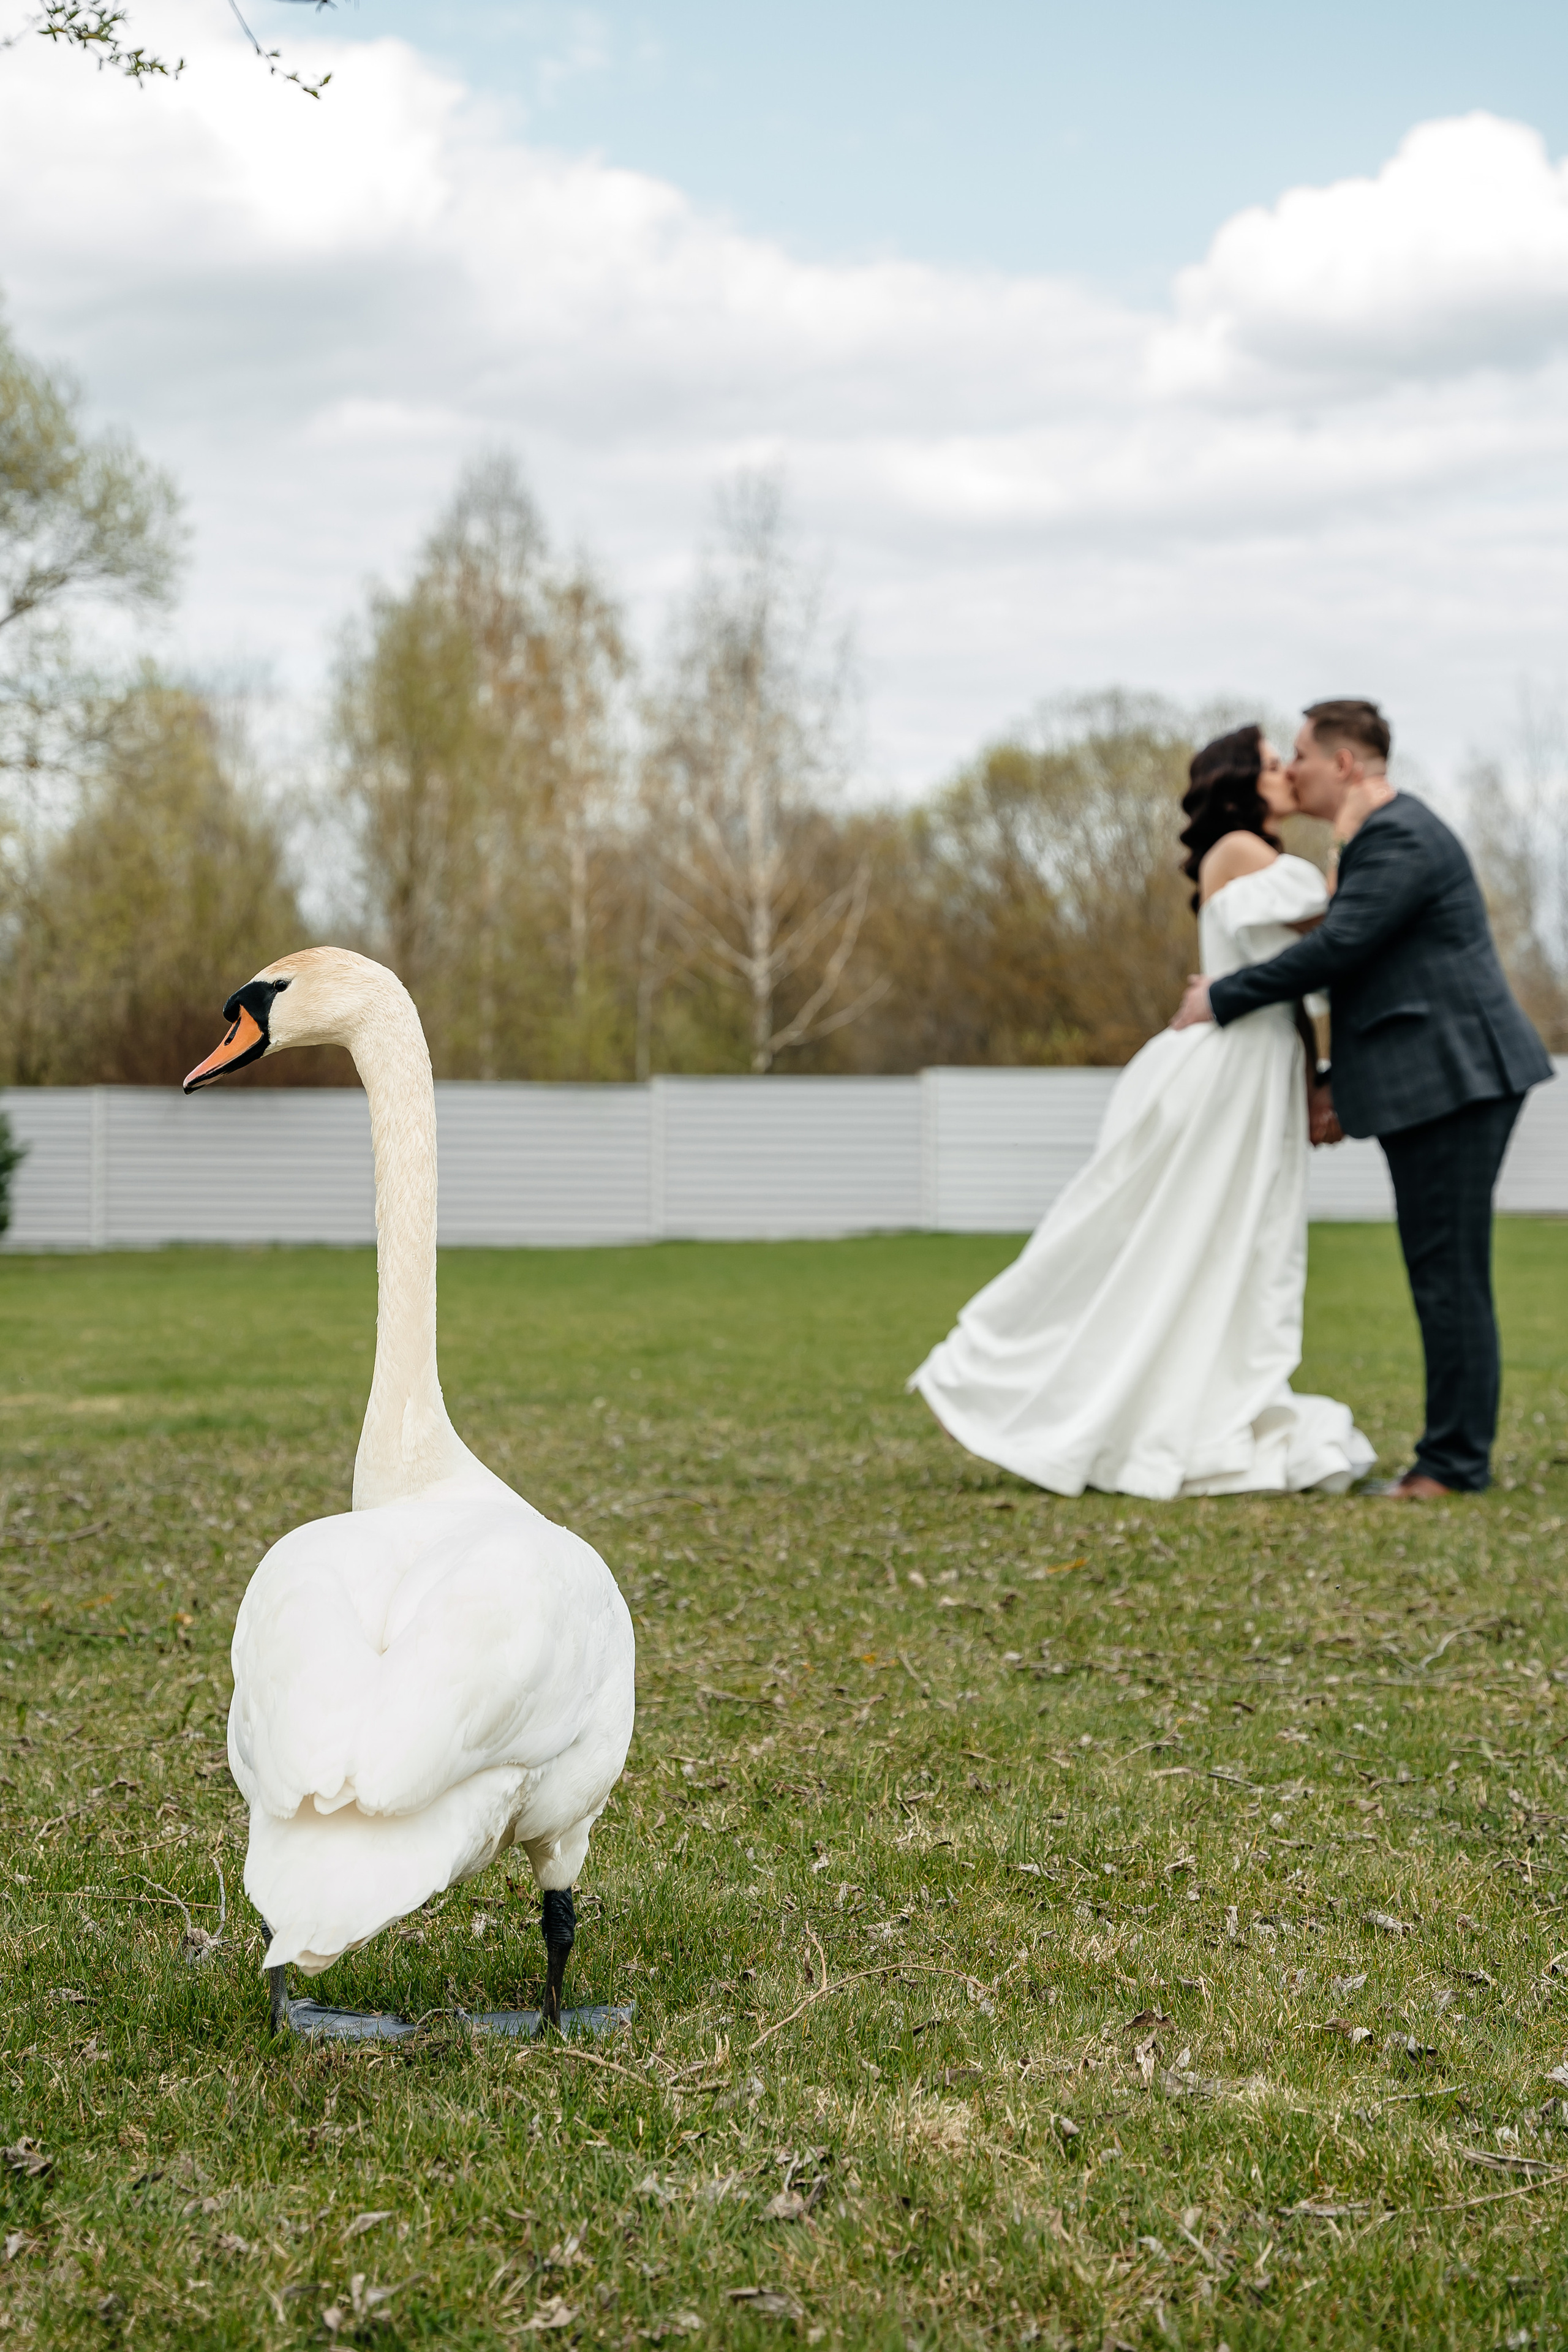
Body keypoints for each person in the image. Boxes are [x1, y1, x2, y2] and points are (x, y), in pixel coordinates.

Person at [909, 723, 1376, 1499]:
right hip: (1226, 1077)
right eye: (1271, 766)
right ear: (1236, 784)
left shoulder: (1251, 857)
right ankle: (996, 1370)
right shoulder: (1240, 849)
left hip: (1259, 1072)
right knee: (1176, 1235)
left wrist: (1311, 1079)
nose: (1287, 775)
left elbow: (1305, 975)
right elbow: (1340, 925)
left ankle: (1207, 1397)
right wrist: (1353, 832)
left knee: (1235, 1247)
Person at [1172, 699, 1553, 1499]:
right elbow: (1369, 977)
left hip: (1456, 1081)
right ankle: (1452, 1456)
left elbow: (1341, 948)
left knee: (1447, 1273)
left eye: (1302, 755)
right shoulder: (1372, 840)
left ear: (1343, 764)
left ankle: (1451, 1466)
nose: (1294, 770)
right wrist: (1331, 1083)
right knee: (1443, 1270)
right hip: (1436, 1081)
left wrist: (1223, 997)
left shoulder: (1400, 835)